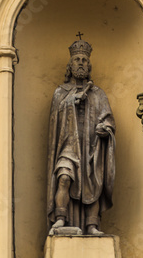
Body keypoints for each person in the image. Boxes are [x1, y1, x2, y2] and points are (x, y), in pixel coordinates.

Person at [47, 37, 115, 237]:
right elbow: (54, 121)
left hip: (92, 146)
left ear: (89, 65)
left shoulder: (98, 94)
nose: (80, 63)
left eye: (84, 60)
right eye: (76, 59)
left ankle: (91, 225)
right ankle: (60, 218)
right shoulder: (60, 93)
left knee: (93, 182)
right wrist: (71, 102)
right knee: (64, 178)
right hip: (68, 145)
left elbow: (108, 118)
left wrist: (105, 128)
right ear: (70, 65)